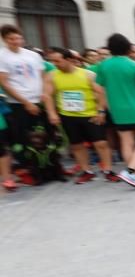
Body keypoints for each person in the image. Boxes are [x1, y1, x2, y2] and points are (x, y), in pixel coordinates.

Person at [95, 33, 135, 188]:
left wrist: (103, 108)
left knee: (127, 142)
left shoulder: (103, 66)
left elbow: (99, 89)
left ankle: (134, 175)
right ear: (129, 48)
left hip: (117, 110)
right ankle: (130, 171)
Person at [43, 47, 115, 183]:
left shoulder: (88, 74)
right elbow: (47, 95)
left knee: (101, 143)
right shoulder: (52, 75)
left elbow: (101, 93)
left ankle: (108, 170)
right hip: (68, 116)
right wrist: (52, 113)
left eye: (57, 61)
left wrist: (101, 111)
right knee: (76, 145)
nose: (55, 64)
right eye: (52, 61)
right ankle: (87, 171)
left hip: (90, 114)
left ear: (69, 60)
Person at [0, 24, 51, 173]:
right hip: (19, 103)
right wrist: (26, 102)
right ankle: (29, 166)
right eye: (11, 39)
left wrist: (44, 93)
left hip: (39, 100)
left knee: (44, 134)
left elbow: (43, 75)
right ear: (4, 39)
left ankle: (47, 163)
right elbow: (4, 82)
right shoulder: (2, 56)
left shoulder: (33, 55)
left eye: (18, 38)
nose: (15, 41)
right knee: (24, 136)